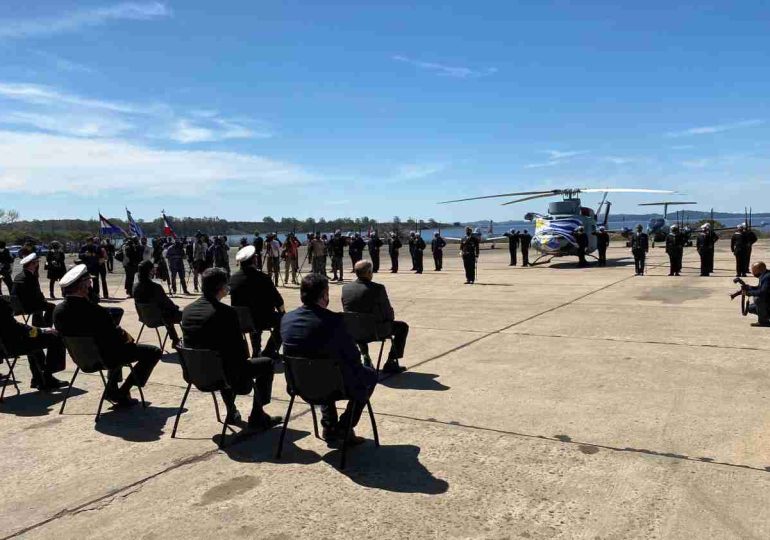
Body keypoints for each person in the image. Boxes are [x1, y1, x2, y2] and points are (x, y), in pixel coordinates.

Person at [281, 273, 378, 444]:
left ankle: (329, 425)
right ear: (324, 295)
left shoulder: (287, 318)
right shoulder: (334, 321)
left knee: (325, 371)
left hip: (299, 384)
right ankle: (344, 427)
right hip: (331, 384)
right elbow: (353, 358)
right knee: (369, 375)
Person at [182, 268, 281, 429]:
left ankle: (232, 411)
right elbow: (240, 352)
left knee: (219, 359)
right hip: (223, 375)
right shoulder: (226, 313)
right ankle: (258, 415)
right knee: (267, 363)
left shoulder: (187, 311)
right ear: (222, 288)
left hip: (196, 372)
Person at [54, 265, 161, 407]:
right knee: (153, 352)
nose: (91, 285)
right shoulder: (95, 312)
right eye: (88, 283)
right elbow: (115, 339)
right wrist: (127, 337)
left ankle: (112, 389)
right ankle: (122, 391)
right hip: (105, 357)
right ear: (82, 286)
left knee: (113, 349)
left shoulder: (58, 310)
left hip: (82, 358)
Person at [342, 261, 409, 373]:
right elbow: (388, 313)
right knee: (402, 327)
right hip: (376, 331)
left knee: (358, 323)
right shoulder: (378, 288)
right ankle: (391, 361)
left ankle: (365, 356)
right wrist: (389, 318)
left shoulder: (346, 288)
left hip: (354, 331)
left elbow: (347, 310)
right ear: (369, 272)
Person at [0, 295, 66, 391]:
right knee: (55, 337)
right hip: (10, 346)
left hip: (4, 346)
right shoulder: (1, 303)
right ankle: (47, 376)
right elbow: (15, 329)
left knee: (34, 343)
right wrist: (40, 330)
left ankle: (39, 378)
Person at [230, 246, 286, 358]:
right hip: (262, 319)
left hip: (242, 320)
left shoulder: (233, 278)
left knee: (252, 317)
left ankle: (256, 350)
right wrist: (282, 312)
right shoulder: (263, 278)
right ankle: (269, 351)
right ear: (254, 260)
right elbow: (278, 300)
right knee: (284, 321)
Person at [132, 260, 183, 348]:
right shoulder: (155, 287)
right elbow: (167, 303)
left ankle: (175, 339)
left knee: (164, 312)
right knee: (181, 314)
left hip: (145, 318)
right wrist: (175, 308)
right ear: (150, 271)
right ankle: (179, 340)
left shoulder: (135, 287)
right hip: (158, 318)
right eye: (153, 269)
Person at [12, 253, 55, 327]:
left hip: (18, 306)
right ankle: (46, 327)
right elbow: (36, 294)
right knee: (52, 306)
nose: (38, 264)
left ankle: (39, 324)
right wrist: (43, 300)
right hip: (29, 306)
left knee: (40, 304)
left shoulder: (18, 276)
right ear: (32, 264)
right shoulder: (31, 277)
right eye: (37, 262)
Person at [743, 262, 770, 326]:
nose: (752, 273)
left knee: (758, 299)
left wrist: (750, 293)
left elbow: (763, 292)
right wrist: (749, 287)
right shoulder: (765, 274)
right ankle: (765, 316)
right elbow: (760, 288)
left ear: (759, 270)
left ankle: (763, 321)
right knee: (750, 308)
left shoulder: (767, 277)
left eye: (753, 271)